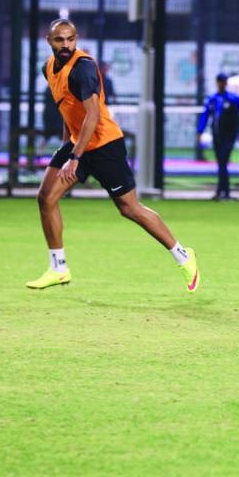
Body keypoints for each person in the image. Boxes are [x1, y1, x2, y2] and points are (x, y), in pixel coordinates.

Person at [26, 18, 201, 292]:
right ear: (49, 41)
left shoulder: (83, 68)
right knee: (45, 198)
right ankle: (58, 268)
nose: (66, 44)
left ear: (76, 39)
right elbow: (67, 109)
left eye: (70, 39)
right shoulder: (48, 68)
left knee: (129, 208)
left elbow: (93, 116)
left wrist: (73, 157)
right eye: (59, 40)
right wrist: (66, 147)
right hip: (77, 144)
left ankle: (183, 255)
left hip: (105, 146)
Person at [197, 73, 239, 200]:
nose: (221, 84)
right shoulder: (212, 99)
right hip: (217, 135)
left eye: (223, 81)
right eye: (219, 81)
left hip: (229, 136)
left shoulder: (233, 99)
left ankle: (222, 191)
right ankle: (223, 191)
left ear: (226, 83)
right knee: (221, 163)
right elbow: (205, 115)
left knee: (223, 160)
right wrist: (200, 131)